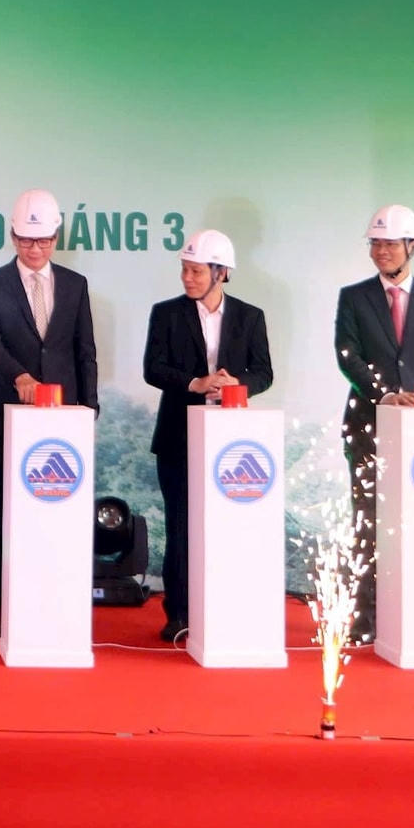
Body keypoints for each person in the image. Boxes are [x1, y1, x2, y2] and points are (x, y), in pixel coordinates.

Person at [0, 188, 99, 638]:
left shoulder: (75, 285)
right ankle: (7, 609)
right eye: (26, 240)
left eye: (43, 240)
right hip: (10, 415)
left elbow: (85, 350)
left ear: (56, 239)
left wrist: (89, 407)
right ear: (12, 237)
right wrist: (19, 375)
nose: (34, 248)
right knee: (11, 514)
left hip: (65, 420)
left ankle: (58, 604)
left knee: (60, 514)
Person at [142, 229, 274, 642]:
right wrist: (195, 383)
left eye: (196, 271)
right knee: (180, 527)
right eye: (184, 269)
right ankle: (179, 614)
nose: (187, 278)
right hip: (177, 438)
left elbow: (264, 373)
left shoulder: (251, 317)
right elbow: (153, 368)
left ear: (221, 272)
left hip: (232, 441)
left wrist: (238, 384)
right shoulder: (166, 313)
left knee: (229, 527)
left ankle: (227, 608)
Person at [334, 202, 414, 640]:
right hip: (367, 425)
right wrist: (384, 394)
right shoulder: (354, 297)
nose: (381, 251)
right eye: (375, 244)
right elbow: (347, 355)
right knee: (368, 522)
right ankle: (365, 619)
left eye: (389, 244)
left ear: (411, 246)